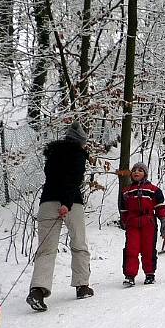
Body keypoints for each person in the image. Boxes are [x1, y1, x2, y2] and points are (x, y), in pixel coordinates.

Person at [26, 122, 93, 312]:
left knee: (46, 250)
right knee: (79, 244)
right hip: (72, 203)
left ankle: (38, 291)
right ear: (81, 142)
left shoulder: (53, 155)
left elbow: (55, 178)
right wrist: (66, 203)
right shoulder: (77, 155)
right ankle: (82, 286)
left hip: (46, 202)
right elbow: (72, 179)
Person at [119, 162, 165, 286]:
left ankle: (150, 273)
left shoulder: (153, 190)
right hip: (132, 223)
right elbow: (123, 208)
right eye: (134, 170)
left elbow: (160, 206)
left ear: (145, 174)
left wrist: (163, 219)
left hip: (148, 223)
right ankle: (130, 275)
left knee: (148, 249)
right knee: (131, 249)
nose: (136, 172)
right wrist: (124, 222)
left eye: (140, 170)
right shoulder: (126, 191)